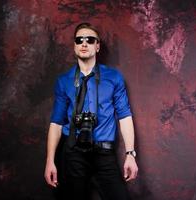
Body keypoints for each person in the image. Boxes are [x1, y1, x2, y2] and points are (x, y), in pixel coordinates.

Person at [44, 22, 138, 200]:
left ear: (97, 46)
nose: (84, 44)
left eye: (90, 39)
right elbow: (56, 123)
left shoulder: (114, 78)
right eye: (79, 40)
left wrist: (130, 154)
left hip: (104, 154)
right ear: (74, 46)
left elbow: (125, 117)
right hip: (73, 154)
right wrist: (50, 161)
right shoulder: (64, 81)